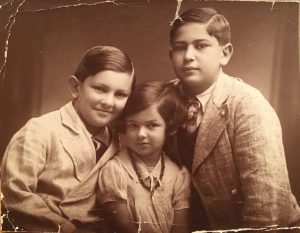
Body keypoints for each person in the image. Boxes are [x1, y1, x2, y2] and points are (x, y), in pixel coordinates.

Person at [168, 7, 300, 231]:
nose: (189, 55)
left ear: (225, 53)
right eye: (180, 48)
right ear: (171, 55)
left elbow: (268, 209)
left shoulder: (249, 105)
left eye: (201, 46)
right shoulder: (163, 97)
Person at [1, 45, 136, 233]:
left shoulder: (120, 143)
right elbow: (13, 195)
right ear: (75, 88)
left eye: (120, 94)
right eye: (100, 89)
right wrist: (67, 228)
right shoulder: (40, 131)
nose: (108, 102)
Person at [97, 80, 190, 233]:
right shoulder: (115, 171)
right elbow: (125, 228)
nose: (141, 134)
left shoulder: (179, 174)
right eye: (133, 125)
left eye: (152, 125)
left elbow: (180, 228)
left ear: (170, 128)